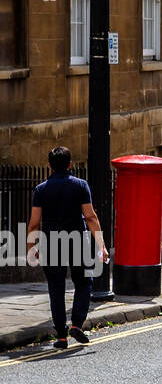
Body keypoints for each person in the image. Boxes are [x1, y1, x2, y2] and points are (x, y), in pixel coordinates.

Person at [25, 146, 106, 349]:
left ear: (50, 166)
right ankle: (77, 324)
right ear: (70, 164)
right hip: (77, 241)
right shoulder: (80, 185)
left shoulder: (41, 190)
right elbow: (90, 216)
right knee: (84, 282)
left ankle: (61, 336)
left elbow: (34, 223)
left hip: (51, 243)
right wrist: (101, 246)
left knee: (56, 288)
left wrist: (30, 247)